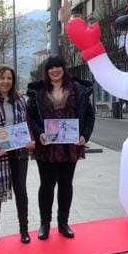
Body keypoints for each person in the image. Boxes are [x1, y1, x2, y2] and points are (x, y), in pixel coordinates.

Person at [26, 55, 95, 240]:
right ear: (46, 72)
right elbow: (31, 117)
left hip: (69, 147)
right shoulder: (38, 92)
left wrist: (84, 135)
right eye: (51, 68)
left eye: (58, 67)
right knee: (46, 186)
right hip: (46, 147)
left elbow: (89, 115)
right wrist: (40, 133)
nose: (54, 70)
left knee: (66, 185)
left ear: (64, 69)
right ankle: (44, 224)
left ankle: (63, 223)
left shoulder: (78, 89)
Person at [0, 64, 35, 244]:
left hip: (19, 152)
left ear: (13, 81)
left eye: (9, 78)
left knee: (21, 190)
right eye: (2, 78)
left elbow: (27, 124)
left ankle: (24, 230)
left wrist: (31, 140)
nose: (5, 81)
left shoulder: (19, 100)